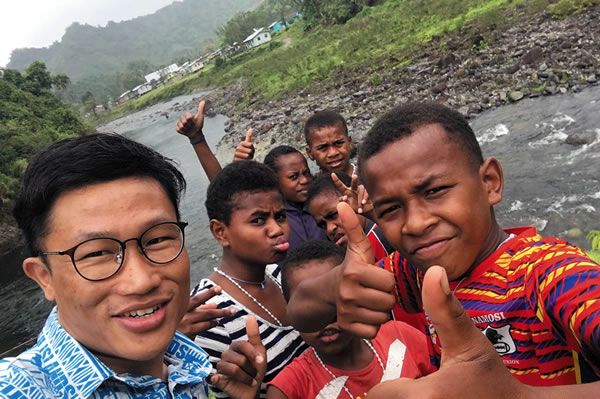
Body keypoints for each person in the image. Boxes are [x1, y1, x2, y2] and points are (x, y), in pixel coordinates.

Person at [287, 102, 600, 388]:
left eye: (434, 191)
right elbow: (301, 311)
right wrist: (338, 283)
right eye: (391, 209)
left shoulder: (545, 272)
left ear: (490, 182)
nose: (416, 223)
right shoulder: (418, 273)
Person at [0, 133, 262, 398]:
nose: (141, 281)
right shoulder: (17, 389)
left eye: (158, 239)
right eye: (97, 252)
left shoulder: (186, 360)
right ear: (44, 277)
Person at [189, 161, 307, 398]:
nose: (276, 229)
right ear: (220, 232)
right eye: (259, 220)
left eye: (280, 216)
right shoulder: (211, 313)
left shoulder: (277, 274)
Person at [268, 240, 434, 399]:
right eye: (312, 307)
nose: (326, 317)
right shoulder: (288, 388)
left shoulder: (401, 335)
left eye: (336, 299)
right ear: (292, 311)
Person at [306, 172, 393, 261]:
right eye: (323, 225)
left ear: (355, 200)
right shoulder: (344, 257)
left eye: (333, 215)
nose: (330, 229)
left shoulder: (385, 236)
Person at [304, 110, 355, 176]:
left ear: (349, 142)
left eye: (338, 143)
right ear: (310, 153)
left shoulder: (367, 177)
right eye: (323, 147)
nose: (333, 153)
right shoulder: (311, 185)